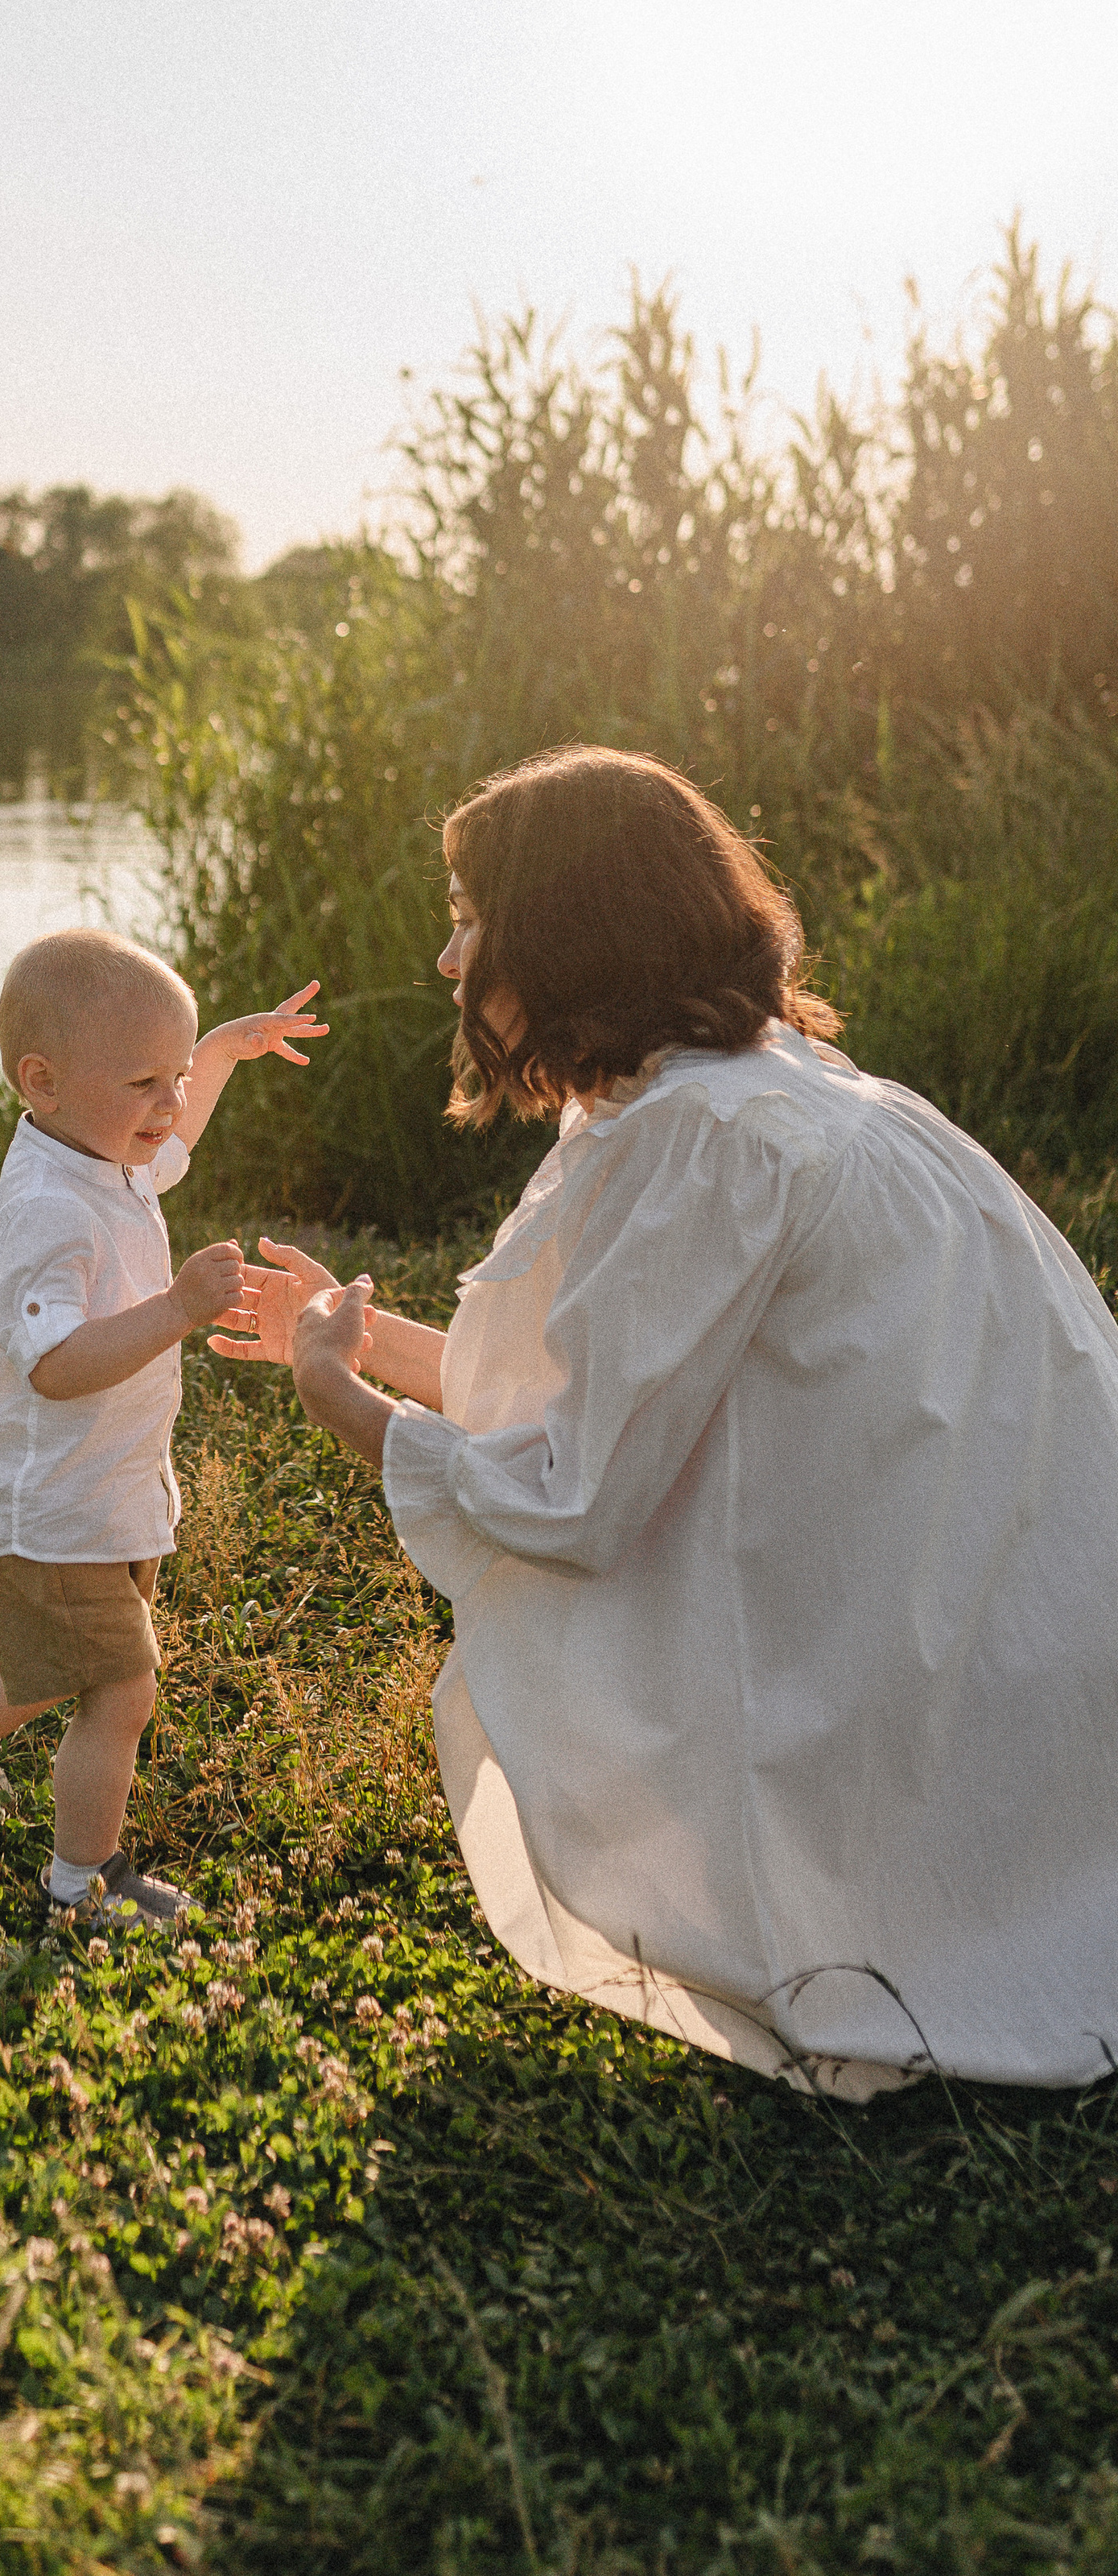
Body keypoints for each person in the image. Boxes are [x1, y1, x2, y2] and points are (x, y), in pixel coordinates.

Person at [216, 745, 1118, 2097]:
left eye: (473, 916)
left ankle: (898, 1894)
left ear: (568, 931)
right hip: (1011, 1593)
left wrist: (340, 1397)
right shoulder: (762, 1084)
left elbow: (582, 1499)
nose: (450, 957)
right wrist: (369, 1339)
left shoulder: (703, 1136)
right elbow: (620, 1392)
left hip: (936, 1639)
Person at [0, 929, 326, 1930]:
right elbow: (54, 1366)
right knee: (119, 1688)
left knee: (67, 1660)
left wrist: (217, 1052)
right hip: (50, 1509)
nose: (167, 1111)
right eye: (145, 1084)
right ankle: (83, 1887)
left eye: (173, 1080)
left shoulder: (96, 1151)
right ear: (41, 1082)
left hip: (105, 1495)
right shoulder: (48, 1209)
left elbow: (167, 1150)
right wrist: (173, 1309)